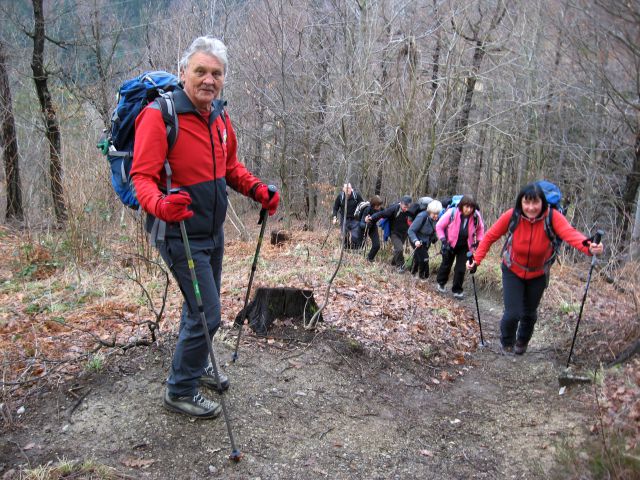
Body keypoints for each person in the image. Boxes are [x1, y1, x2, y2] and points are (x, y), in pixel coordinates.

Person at [131, 36, 279, 418]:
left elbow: (230, 168)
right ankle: (179, 390)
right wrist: (161, 205)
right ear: (184, 73)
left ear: (224, 78)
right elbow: (142, 178)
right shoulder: (159, 116)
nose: (208, 79)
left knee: (197, 308)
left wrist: (256, 189)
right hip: (178, 233)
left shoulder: (220, 117)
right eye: (200, 71)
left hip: (212, 232)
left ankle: (195, 365)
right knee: (208, 314)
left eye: (216, 73)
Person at [467, 182, 603, 355]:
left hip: (538, 273)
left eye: (535, 203)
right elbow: (490, 237)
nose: (531, 207)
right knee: (512, 313)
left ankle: (522, 342)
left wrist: (590, 247)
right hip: (512, 270)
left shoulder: (552, 217)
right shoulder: (512, 215)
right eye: (527, 203)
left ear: (543, 203)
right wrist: (476, 260)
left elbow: (571, 235)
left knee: (529, 313)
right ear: (520, 203)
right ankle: (507, 342)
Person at [436, 195, 484, 298]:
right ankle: (441, 283)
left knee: (461, 268)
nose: (469, 209)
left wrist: (478, 242)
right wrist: (443, 240)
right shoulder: (452, 213)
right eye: (466, 207)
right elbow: (439, 226)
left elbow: (480, 230)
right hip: (450, 243)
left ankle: (457, 290)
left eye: (471, 207)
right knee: (446, 264)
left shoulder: (476, 216)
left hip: (466, 246)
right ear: (461, 206)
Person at [367, 195, 412, 272]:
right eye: (405, 206)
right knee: (399, 248)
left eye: (408, 207)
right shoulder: (394, 209)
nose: (406, 209)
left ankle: (393, 263)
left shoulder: (411, 210)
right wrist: (372, 217)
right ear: (401, 203)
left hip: (404, 233)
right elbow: (382, 213)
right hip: (394, 233)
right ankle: (400, 266)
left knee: (398, 249)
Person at [408, 199, 442, 279]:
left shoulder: (437, 219)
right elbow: (411, 230)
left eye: (437, 213)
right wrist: (415, 241)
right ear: (429, 211)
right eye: (434, 214)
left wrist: (435, 238)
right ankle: (422, 277)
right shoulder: (422, 216)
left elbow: (434, 229)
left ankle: (413, 274)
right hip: (416, 239)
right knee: (424, 258)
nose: (436, 216)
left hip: (426, 241)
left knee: (418, 257)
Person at [332, 183, 365, 249]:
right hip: (344, 219)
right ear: (343, 189)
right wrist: (334, 217)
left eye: (349, 188)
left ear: (351, 188)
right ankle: (346, 250)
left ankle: (354, 251)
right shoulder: (340, 197)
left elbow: (363, 205)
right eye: (346, 188)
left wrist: (363, 217)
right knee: (344, 237)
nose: (348, 190)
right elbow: (335, 208)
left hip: (355, 219)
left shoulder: (356, 196)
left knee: (355, 237)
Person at [357, 195, 384, 261]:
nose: (379, 207)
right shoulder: (367, 209)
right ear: (373, 205)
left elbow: (388, 211)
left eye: (380, 205)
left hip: (373, 226)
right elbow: (361, 223)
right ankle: (358, 260)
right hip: (363, 228)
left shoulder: (381, 209)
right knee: (360, 246)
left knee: (377, 245)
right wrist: (366, 224)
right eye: (377, 206)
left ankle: (369, 259)